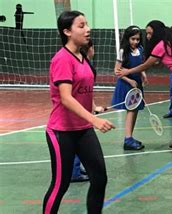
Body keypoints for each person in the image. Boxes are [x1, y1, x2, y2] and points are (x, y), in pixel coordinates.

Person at [43, 10, 114, 213]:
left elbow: (82, 90)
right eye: (81, 26)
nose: (88, 29)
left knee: (99, 178)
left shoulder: (83, 57)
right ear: (67, 31)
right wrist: (95, 119)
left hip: (83, 130)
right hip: (61, 131)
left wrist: (93, 108)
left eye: (87, 24)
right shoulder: (62, 59)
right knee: (60, 185)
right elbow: (66, 97)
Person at [115, 20, 172, 158]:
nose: (148, 36)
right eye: (147, 34)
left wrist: (127, 71)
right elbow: (157, 63)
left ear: (157, 32)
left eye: (150, 33)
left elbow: (146, 65)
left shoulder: (161, 45)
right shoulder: (169, 42)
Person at [111, 25, 147, 150]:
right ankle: (127, 139)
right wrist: (129, 80)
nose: (135, 42)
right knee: (131, 110)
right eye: (133, 39)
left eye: (137, 39)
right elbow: (116, 71)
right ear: (127, 38)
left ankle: (130, 137)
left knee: (135, 111)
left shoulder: (140, 49)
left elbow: (141, 65)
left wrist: (143, 74)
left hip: (137, 84)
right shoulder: (123, 52)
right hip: (127, 85)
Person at [70, 39, 96, 183]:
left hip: (83, 110)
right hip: (77, 113)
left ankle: (76, 169)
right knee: (76, 141)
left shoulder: (86, 64)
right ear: (89, 49)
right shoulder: (78, 64)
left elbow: (87, 91)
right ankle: (74, 172)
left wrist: (93, 106)